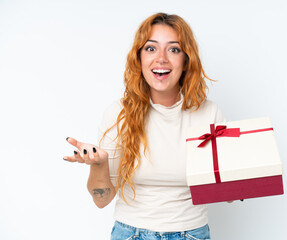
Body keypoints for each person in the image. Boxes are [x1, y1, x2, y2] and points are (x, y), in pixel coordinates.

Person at [63, 12, 225, 240]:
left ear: (186, 60)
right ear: (138, 58)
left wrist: (246, 178)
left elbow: (225, 191)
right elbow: (102, 200)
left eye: (173, 49)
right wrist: (99, 165)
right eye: (151, 48)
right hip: (131, 234)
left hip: (193, 234)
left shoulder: (209, 113)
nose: (161, 58)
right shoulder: (119, 113)